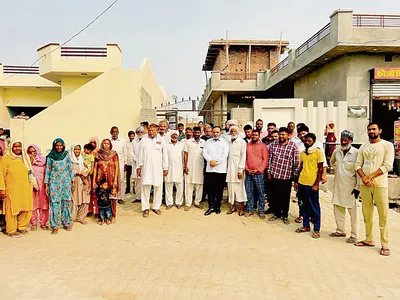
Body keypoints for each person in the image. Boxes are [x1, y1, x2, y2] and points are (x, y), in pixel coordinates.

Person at [354, 122, 394, 256]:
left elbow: (387, 165)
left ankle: (385, 243)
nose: (371, 131)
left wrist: (369, 177)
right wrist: (364, 178)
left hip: (380, 184)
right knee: (367, 213)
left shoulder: (387, 145)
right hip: (364, 185)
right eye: (369, 129)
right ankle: (369, 239)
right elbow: (357, 164)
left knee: (383, 215)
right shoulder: (364, 147)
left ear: (380, 130)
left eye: (374, 129)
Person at [293, 124, 328, 223]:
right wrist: (296, 180)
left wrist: (322, 176)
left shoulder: (318, 147)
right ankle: (303, 218)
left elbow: (322, 164)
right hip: (302, 179)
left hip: (313, 179)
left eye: (304, 134)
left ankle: (314, 220)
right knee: (302, 201)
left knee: (313, 202)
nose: (306, 141)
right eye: (301, 134)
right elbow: (300, 166)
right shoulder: (300, 146)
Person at [0, 140, 36, 238]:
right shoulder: (6, 159)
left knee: (26, 208)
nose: (17, 148)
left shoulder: (25, 157)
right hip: (12, 189)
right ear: (11, 147)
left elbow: (30, 171)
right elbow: (1, 174)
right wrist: (2, 189)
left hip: (25, 188)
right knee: (12, 210)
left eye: (19, 146)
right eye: (15, 146)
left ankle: (21, 227)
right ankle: (11, 230)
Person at [329, 130, 359, 243]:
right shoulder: (337, 151)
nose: (343, 142)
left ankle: (354, 234)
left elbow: (359, 171)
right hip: (338, 185)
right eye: (342, 140)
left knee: (353, 213)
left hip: (351, 187)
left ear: (351, 141)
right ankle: (340, 230)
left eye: (346, 140)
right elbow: (332, 162)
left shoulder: (356, 153)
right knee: (338, 209)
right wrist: (337, 169)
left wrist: (358, 188)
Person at [267, 127, 300, 225]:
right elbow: (269, 159)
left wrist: (295, 176)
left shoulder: (293, 146)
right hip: (275, 175)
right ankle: (276, 214)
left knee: (285, 197)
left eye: (283, 135)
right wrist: (269, 172)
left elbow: (296, 162)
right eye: (280, 134)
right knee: (275, 196)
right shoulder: (273, 145)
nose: (281, 136)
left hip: (287, 176)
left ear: (288, 135)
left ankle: (285, 215)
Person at [295, 133, 324, 239]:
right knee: (303, 205)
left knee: (314, 207)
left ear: (313, 141)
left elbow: (320, 169)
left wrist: (317, 183)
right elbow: (301, 167)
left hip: (312, 184)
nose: (307, 142)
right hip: (302, 183)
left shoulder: (318, 152)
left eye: (309, 141)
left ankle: (316, 229)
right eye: (305, 141)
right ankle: (305, 225)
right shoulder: (302, 153)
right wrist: (297, 182)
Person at [137, 124, 168, 218]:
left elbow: (165, 155)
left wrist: (165, 168)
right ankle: (145, 208)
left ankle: (156, 207)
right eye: (149, 130)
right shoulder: (143, 140)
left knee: (158, 187)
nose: (151, 132)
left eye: (153, 130)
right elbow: (140, 155)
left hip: (158, 168)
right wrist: (138, 167)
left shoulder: (161, 140)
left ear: (157, 130)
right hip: (146, 168)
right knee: (145, 188)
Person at [44, 138, 74, 235]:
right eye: (57, 145)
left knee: (66, 202)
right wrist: (46, 184)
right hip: (54, 183)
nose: (59, 147)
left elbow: (70, 169)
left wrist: (72, 181)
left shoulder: (66, 155)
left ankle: (66, 223)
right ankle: (55, 225)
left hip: (66, 182)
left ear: (63, 145)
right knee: (55, 204)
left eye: (61, 145)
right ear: (54, 146)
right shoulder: (50, 157)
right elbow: (48, 171)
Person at [203, 126, 229, 215]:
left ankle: (218, 206)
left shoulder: (225, 143)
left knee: (219, 190)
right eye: (214, 132)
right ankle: (211, 207)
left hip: (221, 170)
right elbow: (204, 152)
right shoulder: (208, 142)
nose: (215, 134)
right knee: (211, 189)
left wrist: (216, 162)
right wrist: (210, 160)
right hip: (210, 169)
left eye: (217, 132)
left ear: (220, 132)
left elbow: (225, 155)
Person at [93, 139, 120, 221]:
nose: (106, 145)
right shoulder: (98, 155)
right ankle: (101, 215)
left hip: (111, 178)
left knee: (111, 196)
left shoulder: (114, 154)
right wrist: (94, 180)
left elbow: (117, 168)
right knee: (101, 197)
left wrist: (115, 180)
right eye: (104, 143)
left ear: (110, 145)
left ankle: (112, 215)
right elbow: (95, 168)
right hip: (100, 178)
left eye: (108, 144)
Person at [244, 130, 268, 219]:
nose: (254, 136)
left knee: (260, 192)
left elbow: (265, 160)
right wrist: (247, 169)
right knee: (249, 191)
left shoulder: (263, 146)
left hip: (259, 173)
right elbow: (244, 159)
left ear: (259, 136)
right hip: (248, 173)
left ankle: (261, 210)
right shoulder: (247, 146)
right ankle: (250, 209)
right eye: (252, 135)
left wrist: (258, 170)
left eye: (256, 135)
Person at [27, 144, 49, 231]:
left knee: (44, 204)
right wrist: (30, 162)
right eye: (30, 152)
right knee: (33, 205)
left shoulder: (44, 161)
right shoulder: (27, 162)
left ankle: (43, 223)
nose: (32, 154)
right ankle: (34, 223)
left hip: (43, 186)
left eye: (34, 151)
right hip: (32, 186)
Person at [226, 126, 247, 216]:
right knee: (231, 188)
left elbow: (243, 156)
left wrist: (240, 170)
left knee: (240, 188)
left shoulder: (242, 142)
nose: (233, 133)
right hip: (230, 168)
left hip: (238, 168)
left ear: (238, 132)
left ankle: (242, 207)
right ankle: (233, 206)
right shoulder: (228, 142)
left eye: (235, 131)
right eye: (232, 131)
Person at [184, 126, 205, 211]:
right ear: (193, 133)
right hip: (190, 167)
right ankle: (188, 204)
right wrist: (185, 166)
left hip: (200, 167)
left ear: (200, 133)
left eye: (198, 133)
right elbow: (185, 154)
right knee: (189, 185)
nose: (196, 134)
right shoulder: (188, 142)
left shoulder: (204, 142)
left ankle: (197, 202)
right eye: (195, 132)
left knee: (199, 186)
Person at [70, 143, 90, 225]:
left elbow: (87, 168)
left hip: (83, 181)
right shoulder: (70, 160)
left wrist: (85, 172)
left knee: (84, 198)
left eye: (78, 149)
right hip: (75, 181)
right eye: (75, 149)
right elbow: (69, 170)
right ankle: (73, 216)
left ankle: (81, 217)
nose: (77, 151)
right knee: (75, 198)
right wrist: (79, 173)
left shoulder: (82, 159)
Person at [165, 131, 185, 209]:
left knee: (180, 186)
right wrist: (165, 168)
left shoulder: (182, 145)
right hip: (168, 168)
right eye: (173, 134)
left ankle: (179, 202)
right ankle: (169, 203)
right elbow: (165, 157)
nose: (174, 136)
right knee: (168, 186)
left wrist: (184, 167)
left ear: (178, 136)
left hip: (179, 168)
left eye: (176, 135)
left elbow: (184, 157)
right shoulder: (166, 145)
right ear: (170, 136)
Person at [110, 126, 126, 205]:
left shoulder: (122, 141)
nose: (115, 133)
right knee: (112, 180)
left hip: (120, 163)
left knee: (121, 180)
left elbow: (125, 152)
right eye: (113, 132)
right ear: (111, 132)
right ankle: (113, 197)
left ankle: (120, 197)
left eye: (116, 132)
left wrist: (125, 163)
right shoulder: (109, 141)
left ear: (118, 132)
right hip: (111, 163)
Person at [131, 127, 144, 203]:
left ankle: (144, 198)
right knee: (136, 182)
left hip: (143, 164)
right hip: (136, 163)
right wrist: (136, 159)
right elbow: (131, 152)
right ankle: (138, 197)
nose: (140, 133)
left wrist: (141, 161)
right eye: (138, 132)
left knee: (143, 181)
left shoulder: (146, 141)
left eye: (141, 132)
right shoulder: (134, 141)